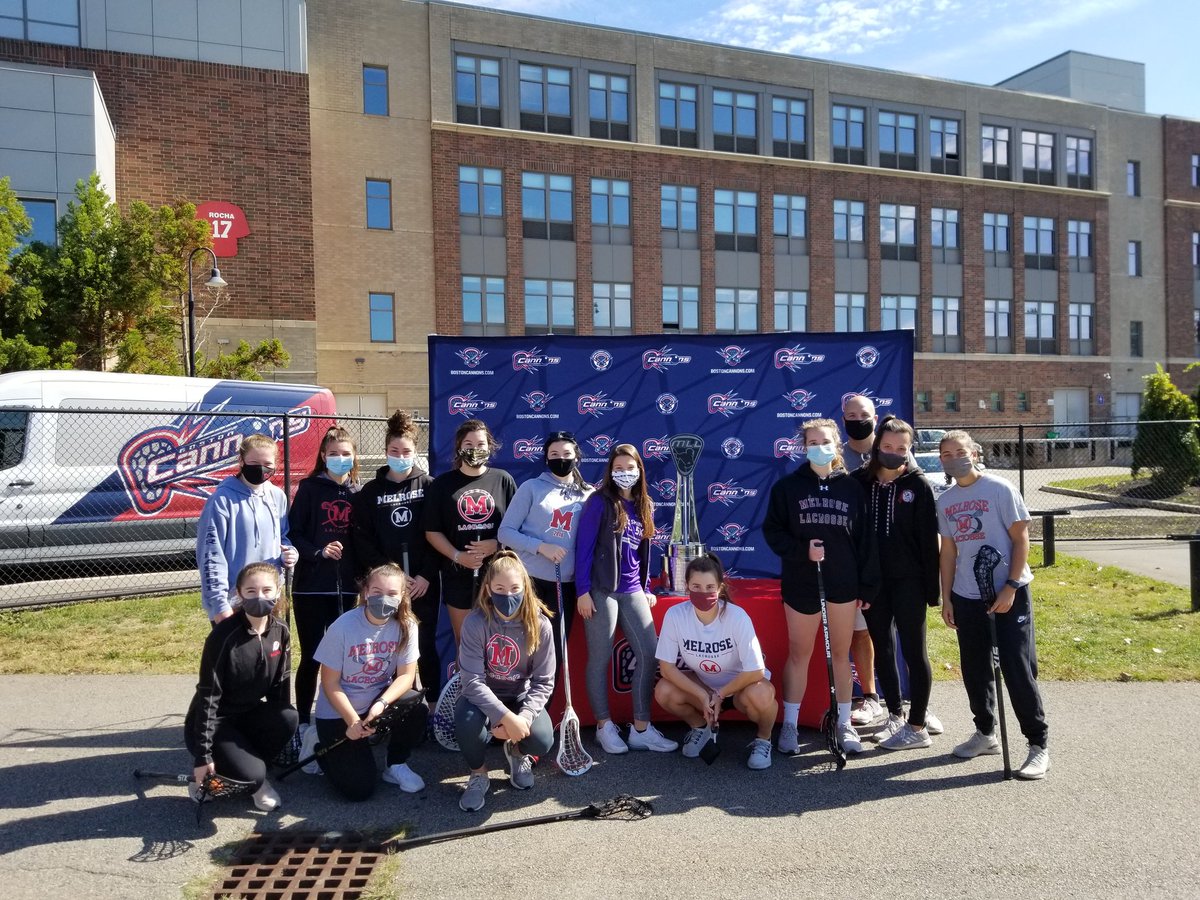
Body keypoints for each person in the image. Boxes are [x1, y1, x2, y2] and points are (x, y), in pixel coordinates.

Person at [763, 418, 879, 757]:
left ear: (837, 445)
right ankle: (789, 725)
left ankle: (843, 723)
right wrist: (802, 551)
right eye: (812, 442)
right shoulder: (787, 488)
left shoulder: (853, 488)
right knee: (800, 654)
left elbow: (865, 542)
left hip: (842, 584)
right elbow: (773, 532)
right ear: (804, 447)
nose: (819, 447)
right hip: (802, 584)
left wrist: (867, 587)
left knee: (841, 656)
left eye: (825, 441)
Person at [937, 430, 1050, 779]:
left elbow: (1021, 538)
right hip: (967, 595)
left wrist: (1011, 587)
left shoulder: (1000, 489)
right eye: (946, 454)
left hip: (1006, 594)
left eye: (960, 451)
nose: (954, 457)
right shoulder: (945, 501)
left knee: (1016, 667)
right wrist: (948, 597)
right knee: (974, 668)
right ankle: (985, 733)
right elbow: (949, 551)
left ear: (973, 452)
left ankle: (1037, 743)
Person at [576, 443, 678, 755]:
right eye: (618, 468)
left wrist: (647, 587)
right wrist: (582, 591)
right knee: (601, 657)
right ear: (610, 471)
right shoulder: (598, 502)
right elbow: (584, 548)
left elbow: (644, 551)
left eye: (629, 468)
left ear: (639, 470)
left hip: (633, 590)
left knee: (649, 654)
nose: (624, 473)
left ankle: (641, 729)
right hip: (601, 590)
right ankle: (605, 726)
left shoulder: (644, 504)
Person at [850, 416, 941, 750]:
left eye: (901, 448)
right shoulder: (859, 481)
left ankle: (917, 724)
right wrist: (860, 583)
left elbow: (930, 543)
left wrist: (934, 591)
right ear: (877, 446)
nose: (894, 452)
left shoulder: (919, 486)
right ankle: (895, 716)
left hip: (910, 582)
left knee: (915, 652)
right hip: (873, 583)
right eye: (887, 447)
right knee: (883, 649)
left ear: (909, 449)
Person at [184, 561, 297, 812]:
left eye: (267, 591)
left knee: (288, 716)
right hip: (215, 722)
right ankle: (220, 777)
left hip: (247, 715)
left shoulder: (281, 631)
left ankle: (252, 768)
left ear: (277, 592)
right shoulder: (222, 636)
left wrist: (281, 733)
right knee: (253, 777)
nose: (260, 597)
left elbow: (280, 686)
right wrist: (203, 756)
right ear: (238, 593)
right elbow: (208, 697)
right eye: (251, 591)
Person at [311, 563, 429, 800]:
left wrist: (381, 704)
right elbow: (330, 683)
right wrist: (353, 721)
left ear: (402, 596)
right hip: (339, 711)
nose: (383, 599)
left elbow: (406, 676)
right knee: (359, 791)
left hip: (375, 703)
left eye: (392, 594)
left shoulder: (407, 625)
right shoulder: (342, 627)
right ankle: (318, 747)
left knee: (417, 707)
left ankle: (395, 764)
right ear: (365, 593)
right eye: (377, 592)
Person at [654, 554, 777, 770]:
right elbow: (667, 668)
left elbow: (756, 670)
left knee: (762, 695)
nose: (703, 593)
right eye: (696, 586)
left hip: (741, 688)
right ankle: (700, 728)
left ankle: (764, 740)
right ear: (687, 587)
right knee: (664, 691)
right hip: (705, 686)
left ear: (719, 588)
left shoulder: (737, 616)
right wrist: (704, 696)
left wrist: (721, 694)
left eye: (710, 586)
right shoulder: (675, 615)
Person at [456, 551, 555, 812]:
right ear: (488, 589)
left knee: (543, 740)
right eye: (499, 588)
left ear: (525, 588)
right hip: (483, 696)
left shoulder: (540, 624)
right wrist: (504, 718)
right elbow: (472, 682)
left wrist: (522, 718)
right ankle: (478, 774)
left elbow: (544, 681)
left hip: (518, 696)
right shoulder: (475, 622)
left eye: (514, 588)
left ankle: (517, 753)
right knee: (467, 724)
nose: (507, 595)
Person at [497, 431, 592, 696]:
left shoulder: (588, 494)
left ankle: (538, 720)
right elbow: (505, 533)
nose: (560, 459)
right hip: (530, 585)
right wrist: (540, 546)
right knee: (525, 650)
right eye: (554, 455)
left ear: (576, 458)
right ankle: (511, 715)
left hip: (568, 586)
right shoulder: (531, 488)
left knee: (553, 654)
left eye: (566, 455)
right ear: (545, 458)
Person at [354, 410, 440, 700]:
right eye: (394, 450)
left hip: (422, 584)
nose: (400, 455)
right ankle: (389, 704)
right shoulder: (371, 491)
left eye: (406, 451)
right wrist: (390, 574)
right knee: (388, 644)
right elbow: (362, 539)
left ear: (416, 452)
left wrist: (425, 574)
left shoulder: (428, 486)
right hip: (387, 585)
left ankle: (430, 706)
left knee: (424, 644)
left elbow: (438, 534)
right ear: (386, 451)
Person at [289, 426, 360, 736]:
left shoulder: (360, 492)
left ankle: (340, 714)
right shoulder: (308, 488)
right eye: (333, 454)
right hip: (310, 587)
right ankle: (304, 719)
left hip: (347, 587)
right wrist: (318, 551)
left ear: (354, 457)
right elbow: (294, 533)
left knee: (344, 657)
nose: (340, 459)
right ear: (322, 456)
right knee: (312, 655)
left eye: (346, 454)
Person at [424, 419, 516, 642]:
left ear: (490, 447)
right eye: (469, 444)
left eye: (481, 445)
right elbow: (432, 531)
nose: (475, 450)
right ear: (458, 447)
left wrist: (498, 544)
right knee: (465, 641)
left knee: (500, 640)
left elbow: (517, 527)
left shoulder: (503, 480)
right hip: (458, 576)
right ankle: (467, 679)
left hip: (498, 575)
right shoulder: (442, 485)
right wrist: (458, 556)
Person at [196, 434, 299, 623]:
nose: (260, 468)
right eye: (254, 462)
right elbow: (211, 554)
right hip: (235, 600)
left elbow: (283, 537)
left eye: (267, 463)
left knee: (270, 651)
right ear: (241, 461)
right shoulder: (221, 500)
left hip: (270, 596)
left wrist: (290, 553)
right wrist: (219, 605)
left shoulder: (277, 496)